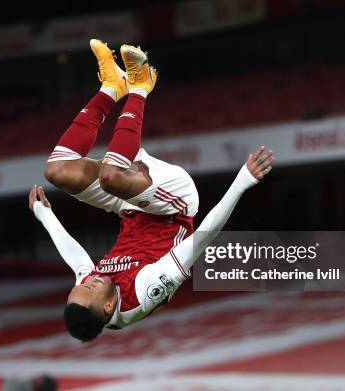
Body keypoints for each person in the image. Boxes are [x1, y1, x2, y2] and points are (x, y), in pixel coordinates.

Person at [29, 39, 274, 342]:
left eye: (80, 284)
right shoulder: (145, 292)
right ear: (109, 307)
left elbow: (77, 260)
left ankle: (111, 86)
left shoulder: (88, 294)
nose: (87, 279)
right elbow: (203, 237)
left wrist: (46, 217)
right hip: (175, 204)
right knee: (110, 176)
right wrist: (242, 182)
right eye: (90, 286)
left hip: (133, 209)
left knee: (58, 171)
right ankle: (140, 86)